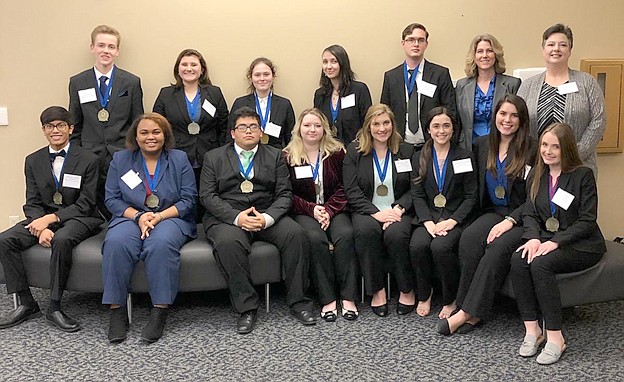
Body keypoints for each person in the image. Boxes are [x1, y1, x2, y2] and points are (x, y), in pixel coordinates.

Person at [200, 107, 316, 334]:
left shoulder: (275, 155)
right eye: (242, 127)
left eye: (254, 126)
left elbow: (285, 194)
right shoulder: (213, 157)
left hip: (266, 212)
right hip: (228, 216)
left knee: (296, 235)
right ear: (233, 133)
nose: (249, 131)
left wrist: (266, 218)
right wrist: (236, 217)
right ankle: (247, 308)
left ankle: (299, 302)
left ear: (261, 131)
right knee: (228, 244)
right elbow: (207, 196)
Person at [0, 106, 102, 332]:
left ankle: (54, 306)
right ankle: (27, 303)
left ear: (70, 128)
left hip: (80, 216)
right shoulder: (33, 160)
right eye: (49, 126)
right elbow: (32, 201)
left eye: (60, 125)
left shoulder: (89, 159)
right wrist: (40, 226)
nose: (55, 130)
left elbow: (87, 202)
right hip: (44, 218)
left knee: (62, 239)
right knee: (5, 240)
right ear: (44, 130)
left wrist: (51, 220)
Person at [511, 122, 605, 365]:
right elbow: (529, 212)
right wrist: (532, 237)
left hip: (581, 242)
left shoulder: (582, 175)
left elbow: (587, 220)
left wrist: (556, 242)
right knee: (519, 259)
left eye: (555, 146)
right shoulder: (537, 173)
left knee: (541, 264)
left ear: (567, 149)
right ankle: (533, 331)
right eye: (544, 145)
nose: (548, 151)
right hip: (545, 237)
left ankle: (555, 336)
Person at [439, 95, 534, 335]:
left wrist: (510, 221)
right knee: (469, 239)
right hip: (492, 211)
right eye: (503, 114)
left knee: (496, 248)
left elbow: (535, 197)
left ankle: (467, 314)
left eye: (514, 115)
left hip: (522, 216)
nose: (507, 120)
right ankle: (464, 305)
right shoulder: (482, 144)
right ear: (495, 116)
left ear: (521, 120)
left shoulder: (532, 148)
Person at [102, 113, 197, 344]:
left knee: (160, 244)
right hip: (130, 217)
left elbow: (188, 199)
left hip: (170, 217)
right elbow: (112, 199)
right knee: (116, 242)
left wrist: (158, 216)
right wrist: (139, 217)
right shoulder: (121, 160)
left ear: (165, 135)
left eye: (156, 132)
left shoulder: (179, 159)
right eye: (144, 132)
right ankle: (117, 311)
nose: (150, 137)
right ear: (135, 135)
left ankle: (159, 310)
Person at [283, 108, 358, 321]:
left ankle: (348, 297)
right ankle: (328, 299)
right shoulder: (288, 156)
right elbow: (286, 193)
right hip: (304, 211)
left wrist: (328, 210)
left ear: (324, 129)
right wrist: (312, 209)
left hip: (334, 209)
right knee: (315, 240)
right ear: (299, 129)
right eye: (307, 125)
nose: (312, 129)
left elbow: (345, 187)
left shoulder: (337, 153)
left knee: (346, 235)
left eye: (317, 125)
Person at [343, 104, 415, 317]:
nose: (382, 128)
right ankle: (377, 290)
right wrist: (376, 213)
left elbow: (415, 187)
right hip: (367, 210)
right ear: (368, 126)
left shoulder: (406, 150)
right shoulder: (355, 151)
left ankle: (406, 288)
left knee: (397, 234)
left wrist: (399, 209)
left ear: (393, 125)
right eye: (376, 123)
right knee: (365, 232)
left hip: (399, 209)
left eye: (386, 123)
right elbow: (351, 189)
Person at [68, 25, 144, 218]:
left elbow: (138, 122)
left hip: (122, 152)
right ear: (92, 47)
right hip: (89, 153)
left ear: (117, 51)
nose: (105, 50)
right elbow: (74, 123)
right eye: (101, 45)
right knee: (91, 203)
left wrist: (134, 154)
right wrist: (76, 155)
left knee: (122, 200)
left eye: (111, 46)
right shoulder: (78, 82)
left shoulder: (131, 82)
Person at [409, 107, 478, 319]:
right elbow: (417, 195)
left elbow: (471, 196)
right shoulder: (419, 157)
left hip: (455, 218)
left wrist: (453, 221)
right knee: (417, 245)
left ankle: (450, 299)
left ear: (453, 129)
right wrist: (428, 222)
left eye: (446, 125)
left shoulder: (464, 156)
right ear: (428, 129)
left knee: (440, 247)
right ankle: (424, 294)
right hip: (428, 217)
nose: (441, 131)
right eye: (436, 126)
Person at [517, 23, 606, 176]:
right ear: (543, 49)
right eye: (551, 44)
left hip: (578, 165)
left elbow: (599, 121)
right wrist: (534, 155)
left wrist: (573, 154)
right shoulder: (528, 86)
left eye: (563, 45)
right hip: (537, 166)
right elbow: (519, 122)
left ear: (570, 50)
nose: (556, 49)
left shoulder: (587, 82)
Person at [153, 48, 228, 185]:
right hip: (175, 156)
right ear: (178, 69)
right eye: (184, 64)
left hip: (209, 156)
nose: (189, 68)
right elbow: (157, 126)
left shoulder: (214, 93)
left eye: (194, 65)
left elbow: (224, 125)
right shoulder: (166, 94)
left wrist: (219, 152)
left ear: (202, 70)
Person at [380, 23, 457, 149]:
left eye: (420, 40)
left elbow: (451, 111)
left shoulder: (440, 74)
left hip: (432, 145)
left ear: (426, 44)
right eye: (411, 40)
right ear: (403, 43)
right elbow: (385, 112)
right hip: (400, 146)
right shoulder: (391, 77)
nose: (416, 44)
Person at [455, 34, 521, 150]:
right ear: (474, 56)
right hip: (469, 148)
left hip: (502, 147)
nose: (484, 55)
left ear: (496, 54)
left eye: (489, 51)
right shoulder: (462, 86)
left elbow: (519, 119)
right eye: (480, 51)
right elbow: (458, 121)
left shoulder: (512, 84)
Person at [229, 57, 295, 148]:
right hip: (247, 155)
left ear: (273, 77)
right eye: (257, 75)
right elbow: (230, 136)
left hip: (276, 155)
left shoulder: (284, 104)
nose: (262, 78)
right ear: (251, 78)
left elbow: (291, 138)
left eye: (266, 74)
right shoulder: (240, 103)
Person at [314, 44, 372, 144]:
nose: (328, 66)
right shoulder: (320, 95)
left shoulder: (359, 90)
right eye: (325, 62)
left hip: (355, 150)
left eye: (334, 61)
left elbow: (368, 124)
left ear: (343, 64)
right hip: (328, 151)